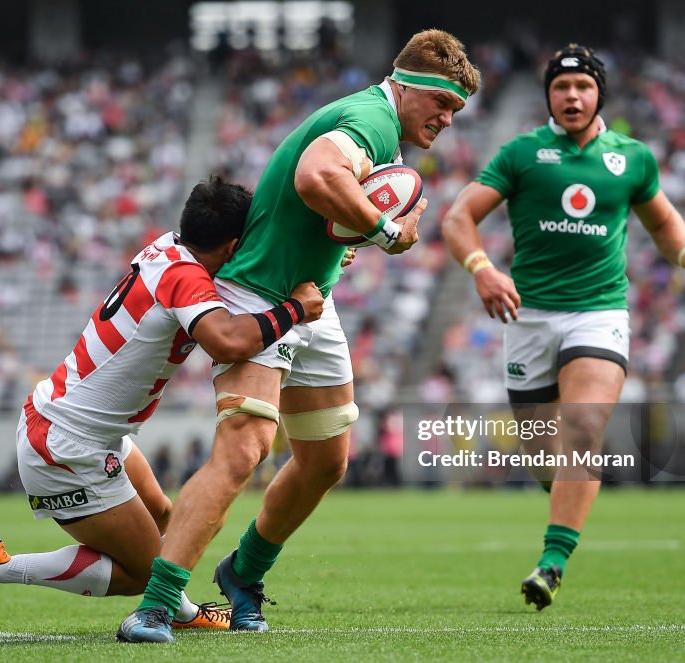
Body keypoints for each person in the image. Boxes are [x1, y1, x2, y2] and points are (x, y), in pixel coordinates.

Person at [119, 30, 480, 643]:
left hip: (313, 298)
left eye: (456, 112)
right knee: (244, 449)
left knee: (325, 460)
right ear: (410, 88)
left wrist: (359, 234)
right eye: (442, 105)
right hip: (262, 290)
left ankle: (242, 573)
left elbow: (324, 206)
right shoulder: (370, 117)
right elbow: (317, 175)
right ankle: (155, 604)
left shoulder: (380, 126)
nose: (448, 120)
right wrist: (387, 232)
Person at [0, 176, 324, 631]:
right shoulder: (184, 277)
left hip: (84, 426)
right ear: (232, 245)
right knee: (144, 575)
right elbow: (228, 342)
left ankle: (181, 608)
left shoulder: (168, 248)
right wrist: (294, 309)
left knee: (171, 521)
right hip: (66, 446)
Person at [441, 44, 685, 610]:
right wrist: (482, 269)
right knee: (549, 455)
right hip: (528, 318)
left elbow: (663, 219)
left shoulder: (633, 158)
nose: (573, 96)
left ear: (599, 95)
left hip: (599, 312)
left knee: (582, 431)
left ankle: (552, 562)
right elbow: (457, 217)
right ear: (549, 95)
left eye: (584, 87)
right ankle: (570, 495)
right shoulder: (522, 154)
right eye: (562, 87)